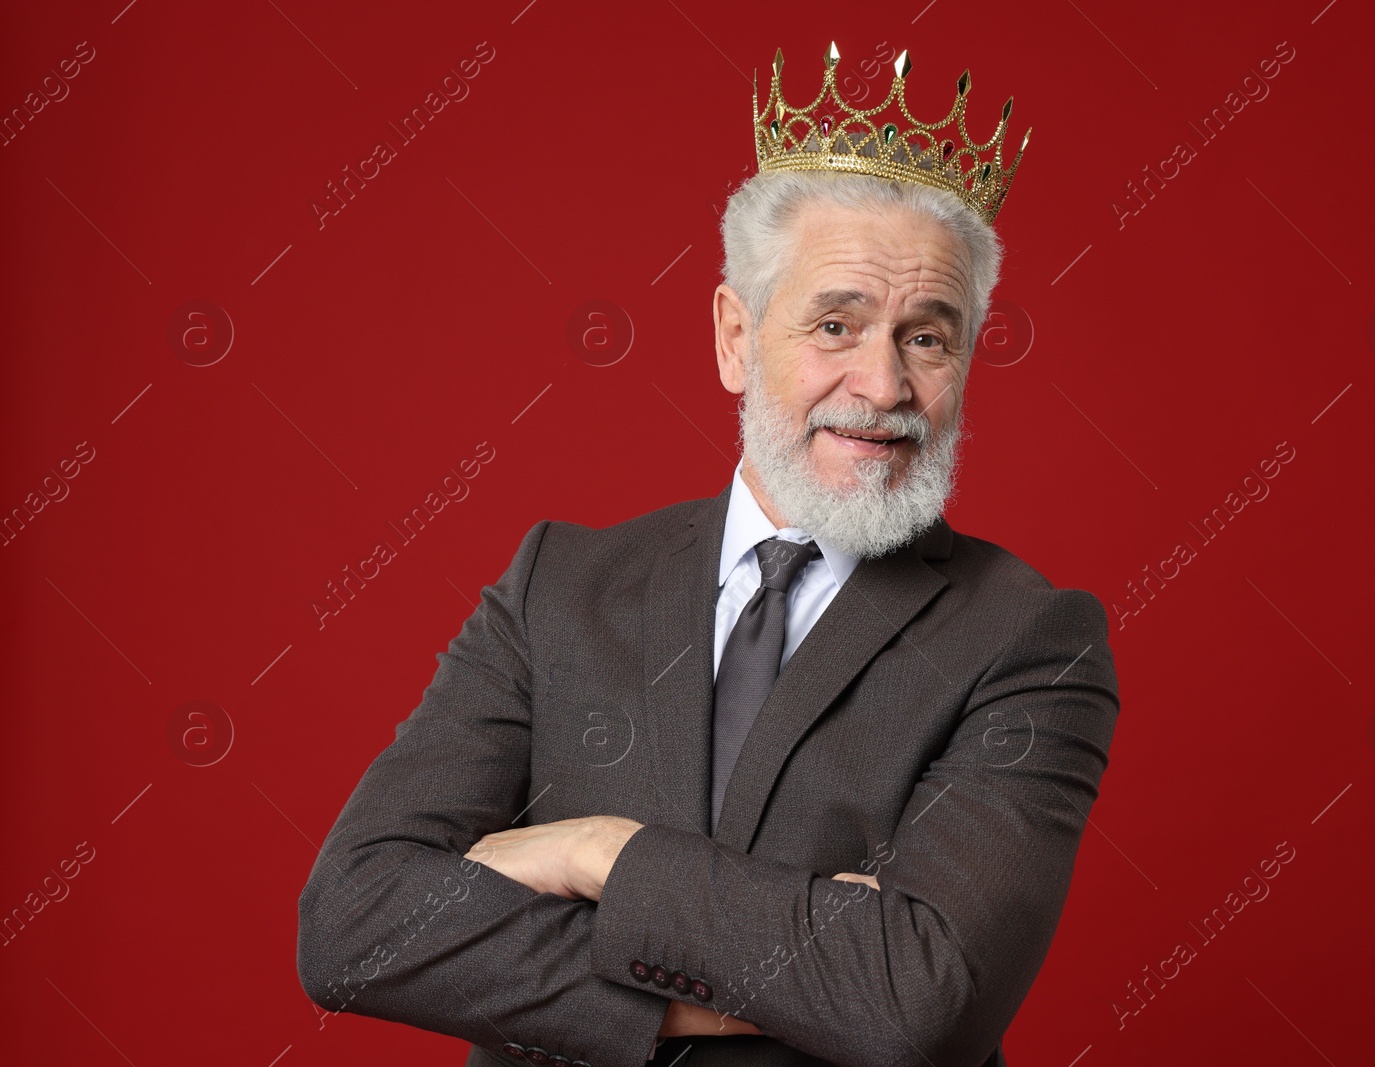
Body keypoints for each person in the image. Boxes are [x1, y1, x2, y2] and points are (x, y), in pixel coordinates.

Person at [297, 41, 1120, 1067]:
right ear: (736, 336)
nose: (883, 384)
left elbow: (917, 998)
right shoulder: (559, 583)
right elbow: (358, 921)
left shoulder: (1030, 638)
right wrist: (798, 964)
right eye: (836, 322)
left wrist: (594, 850)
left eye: (927, 337)